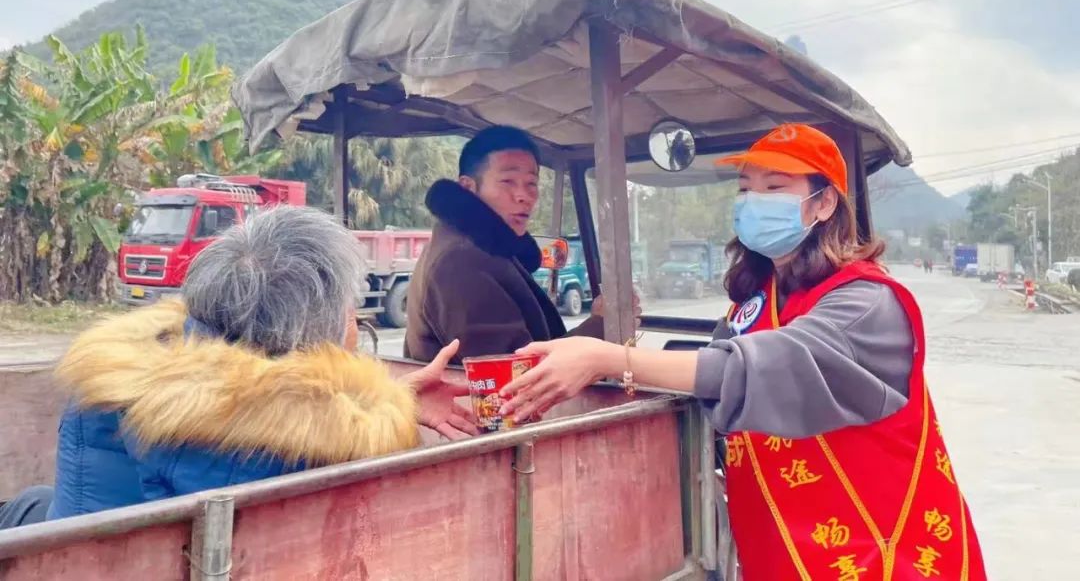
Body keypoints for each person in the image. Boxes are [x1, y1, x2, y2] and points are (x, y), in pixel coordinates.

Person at [500, 124, 987, 580]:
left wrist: (609, 358)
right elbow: (715, 383)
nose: (754, 201)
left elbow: (763, 369)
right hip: (783, 548)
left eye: (774, 188)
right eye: (745, 189)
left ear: (823, 204)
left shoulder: (867, 303)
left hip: (879, 552)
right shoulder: (756, 300)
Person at [45, 205, 476, 521]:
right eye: (350, 308)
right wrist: (389, 406)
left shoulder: (111, 379)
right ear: (317, 333)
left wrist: (399, 398)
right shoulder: (325, 448)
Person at [405, 125, 635, 363]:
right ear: (468, 187)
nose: (524, 196)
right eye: (508, 181)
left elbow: (533, 350)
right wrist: (600, 325)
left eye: (531, 183)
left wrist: (598, 322)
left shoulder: (491, 246)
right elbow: (516, 371)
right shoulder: (460, 260)